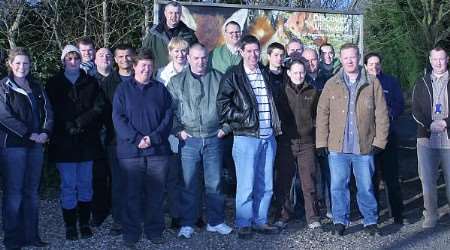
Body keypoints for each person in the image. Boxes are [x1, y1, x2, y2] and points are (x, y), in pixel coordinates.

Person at [316, 43, 389, 236]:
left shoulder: (372, 82)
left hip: (364, 146)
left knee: (365, 186)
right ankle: (340, 220)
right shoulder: (332, 83)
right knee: (338, 185)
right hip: (337, 147)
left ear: (358, 57)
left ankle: (370, 221)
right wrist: (321, 142)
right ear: (341, 59)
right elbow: (322, 113)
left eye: (353, 56)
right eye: (345, 57)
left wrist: (380, 141)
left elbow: (382, 114)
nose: (349, 60)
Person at [217, 35, 281, 239]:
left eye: (256, 51)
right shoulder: (233, 75)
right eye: (249, 51)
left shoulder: (265, 72)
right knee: (246, 184)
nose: (253, 55)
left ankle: (260, 221)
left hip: (268, 137)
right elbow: (222, 105)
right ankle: (244, 223)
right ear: (241, 52)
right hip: (246, 136)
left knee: (266, 184)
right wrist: (244, 117)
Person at [167, 43, 233, 239]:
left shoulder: (219, 78)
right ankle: (187, 223)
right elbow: (168, 111)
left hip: (214, 138)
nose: (200, 61)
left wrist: (226, 128)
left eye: (204, 57)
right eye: (196, 58)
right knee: (189, 183)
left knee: (215, 183)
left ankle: (216, 221)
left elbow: (231, 105)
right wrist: (178, 131)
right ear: (188, 58)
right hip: (189, 140)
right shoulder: (176, 82)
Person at [112, 49, 173, 247]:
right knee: (131, 194)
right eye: (143, 65)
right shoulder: (123, 90)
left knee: (156, 194)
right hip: (130, 153)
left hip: (157, 152)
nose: (146, 69)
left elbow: (168, 117)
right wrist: (137, 138)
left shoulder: (161, 89)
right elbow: (118, 118)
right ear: (135, 66)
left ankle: (154, 231)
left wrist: (153, 138)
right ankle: (131, 233)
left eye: (149, 65)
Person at [46, 45, 105, 241]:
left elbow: (98, 108)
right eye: (69, 59)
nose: (73, 62)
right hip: (63, 142)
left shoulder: (91, 82)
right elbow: (50, 110)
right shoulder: (53, 83)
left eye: (76, 58)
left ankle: (84, 223)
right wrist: (68, 125)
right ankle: (70, 225)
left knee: (86, 184)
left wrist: (80, 123)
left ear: (81, 60)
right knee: (68, 185)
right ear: (63, 60)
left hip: (86, 141)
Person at [0, 47, 53, 249]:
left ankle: (32, 236)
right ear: (11, 65)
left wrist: (45, 132)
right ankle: (13, 239)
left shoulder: (37, 87)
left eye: (26, 63)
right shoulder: (3, 87)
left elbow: (49, 112)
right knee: (14, 193)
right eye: (18, 63)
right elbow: (4, 116)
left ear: (30, 65)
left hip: (36, 146)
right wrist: (29, 134)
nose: (22, 67)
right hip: (13, 147)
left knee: (31, 192)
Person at [273, 59, 320, 230]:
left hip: (307, 143)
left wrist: (313, 133)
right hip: (286, 143)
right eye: (295, 72)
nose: (299, 75)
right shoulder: (280, 92)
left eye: (302, 72)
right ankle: (282, 215)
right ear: (289, 73)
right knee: (284, 181)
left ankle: (313, 216)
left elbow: (318, 117)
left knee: (309, 181)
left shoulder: (313, 91)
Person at [364, 52, 405, 224]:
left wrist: (389, 114)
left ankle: (397, 214)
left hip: (388, 135)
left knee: (391, 177)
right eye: (371, 64)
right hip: (368, 138)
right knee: (370, 178)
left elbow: (399, 104)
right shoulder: (360, 82)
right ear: (365, 66)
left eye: (377, 63)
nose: (374, 67)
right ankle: (374, 215)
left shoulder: (391, 82)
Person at [412, 47, 450, 229]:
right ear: (430, 59)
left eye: (441, 59)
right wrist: (430, 124)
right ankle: (431, 215)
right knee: (427, 179)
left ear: (447, 59)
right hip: (426, 139)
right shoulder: (421, 83)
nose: (438, 62)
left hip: (448, 138)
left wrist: (445, 123)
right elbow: (415, 110)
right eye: (434, 59)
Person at [155, 36, 189, 229]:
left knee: (192, 177)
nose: (180, 54)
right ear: (170, 53)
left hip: (191, 131)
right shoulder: (161, 75)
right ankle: (176, 214)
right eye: (176, 51)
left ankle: (192, 213)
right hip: (171, 133)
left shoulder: (194, 70)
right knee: (174, 177)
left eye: (183, 50)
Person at [94, 47, 124, 235]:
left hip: (116, 136)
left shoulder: (119, 79)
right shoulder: (88, 78)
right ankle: (99, 212)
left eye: (107, 55)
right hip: (98, 135)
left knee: (117, 178)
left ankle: (118, 213)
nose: (105, 58)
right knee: (98, 177)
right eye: (100, 55)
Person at [142, 1, 198, 70]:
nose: (173, 16)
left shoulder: (189, 35)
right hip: (159, 76)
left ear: (180, 14)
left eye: (177, 13)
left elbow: (197, 56)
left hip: (182, 76)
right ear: (165, 13)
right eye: (170, 13)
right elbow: (143, 55)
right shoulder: (154, 34)